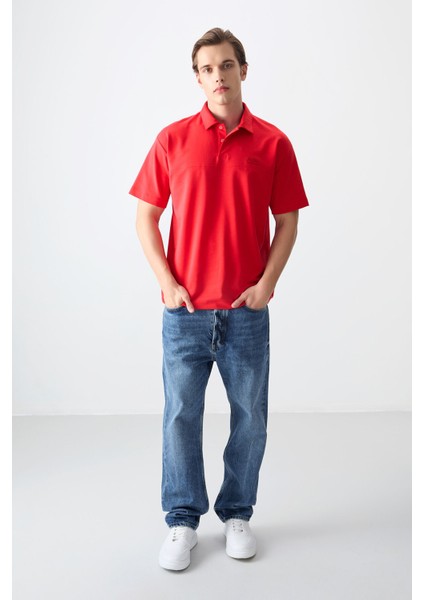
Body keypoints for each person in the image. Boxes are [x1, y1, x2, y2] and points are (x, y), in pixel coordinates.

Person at [130, 27, 309, 571]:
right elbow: (146, 216)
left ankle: (237, 514)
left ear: (243, 70)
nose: (218, 76)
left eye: (226, 65)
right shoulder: (172, 139)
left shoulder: (273, 143)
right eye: (207, 68)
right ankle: (183, 520)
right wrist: (167, 282)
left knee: (250, 417)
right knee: (180, 416)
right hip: (184, 312)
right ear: (198, 78)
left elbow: (287, 221)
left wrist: (266, 284)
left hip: (245, 313)